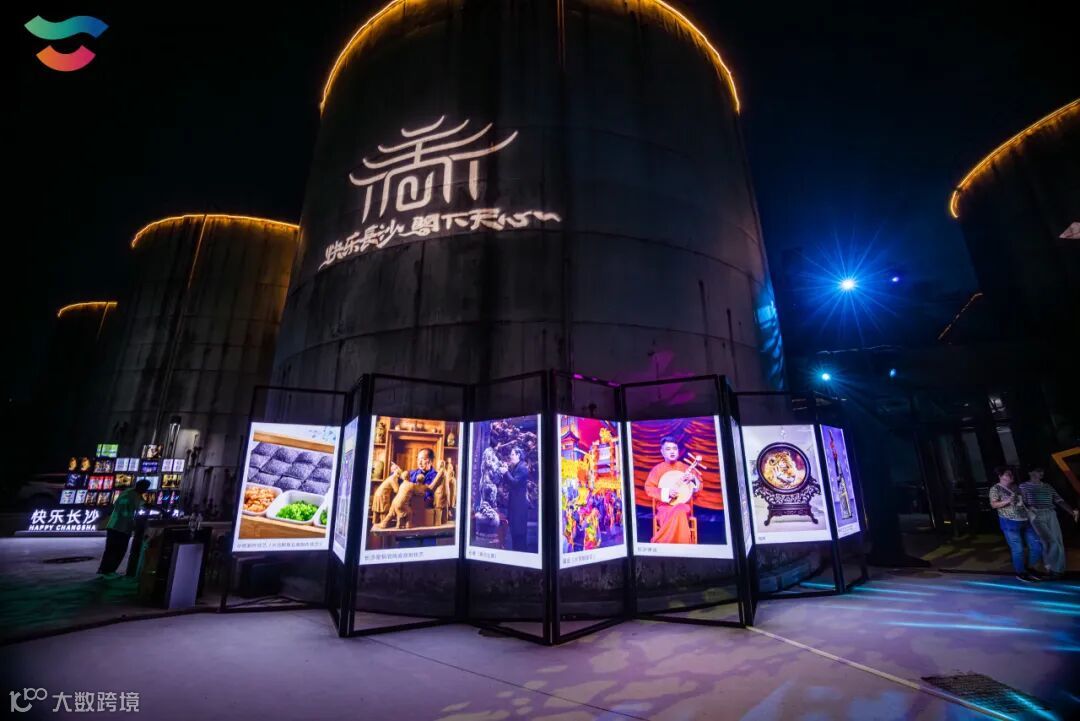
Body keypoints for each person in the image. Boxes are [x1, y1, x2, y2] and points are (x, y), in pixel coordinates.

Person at [1020, 467, 1078, 578]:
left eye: (1042, 471)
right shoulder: (1023, 486)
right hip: (1036, 514)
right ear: (1030, 472)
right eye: (1038, 471)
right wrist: (1029, 510)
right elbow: (1021, 502)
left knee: (1058, 541)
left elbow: (1059, 500)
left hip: (1051, 513)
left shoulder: (1047, 486)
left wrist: (1072, 512)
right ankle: (1049, 568)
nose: (1041, 473)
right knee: (1050, 541)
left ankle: (1058, 570)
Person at [988, 466, 1043, 582]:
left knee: (1036, 545)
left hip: (1025, 520)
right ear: (1000, 476)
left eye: (1012, 474)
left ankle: (1031, 568)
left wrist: (1029, 507)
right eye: (1008, 474)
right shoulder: (995, 488)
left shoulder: (1015, 487)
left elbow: (1022, 501)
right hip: (1009, 522)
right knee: (1018, 549)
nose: (1011, 476)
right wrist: (1007, 501)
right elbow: (993, 504)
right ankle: (1020, 572)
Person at [643, 436, 701, 544]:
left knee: (680, 510)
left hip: (682, 505)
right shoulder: (657, 469)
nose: (672, 451)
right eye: (668, 449)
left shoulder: (686, 468)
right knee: (670, 512)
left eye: (675, 448)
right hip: (664, 507)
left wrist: (693, 479)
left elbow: (699, 488)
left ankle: (663, 542)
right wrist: (666, 492)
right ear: (662, 452)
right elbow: (649, 488)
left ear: (678, 451)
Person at [374, 449, 444, 529]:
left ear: (431, 461)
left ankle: (391, 523)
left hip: (423, 509)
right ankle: (387, 523)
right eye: (418, 459)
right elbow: (401, 480)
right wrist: (395, 471)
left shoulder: (436, 476)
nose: (420, 462)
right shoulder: (413, 473)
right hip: (407, 503)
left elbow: (429, 493)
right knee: (396, 505)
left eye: (423, 459)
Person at [97, 479, 151, 577]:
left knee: (110, 550)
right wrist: (161, 510)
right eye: (145, 488)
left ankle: (104, 570)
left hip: (113, 525)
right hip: (122, 527)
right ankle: (109, 571)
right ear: (141, 487)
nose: (146, 490)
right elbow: (144, 506)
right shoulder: (134, 495)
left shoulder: (128, 492)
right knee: (119, 550)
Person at [500, 446, 531, 552]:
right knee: (515, 533)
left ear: (518, 455)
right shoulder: (516, 467)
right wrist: (506, 472)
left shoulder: (522, 468)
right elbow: (510, 482)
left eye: (513, 454)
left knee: (519, 534)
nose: (510, 456)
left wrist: (506, 472)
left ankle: (521, 555)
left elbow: (515, 483)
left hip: (519, 507)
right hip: (515, 506)